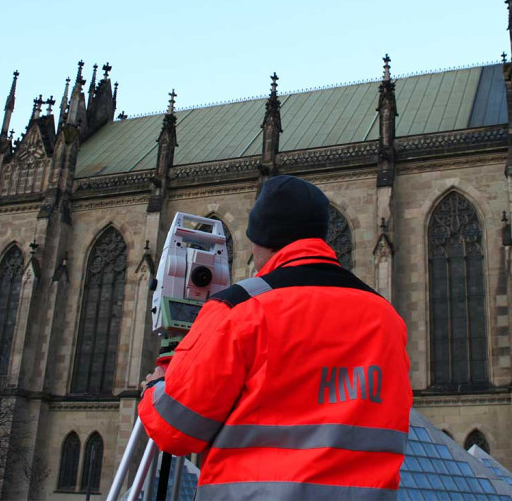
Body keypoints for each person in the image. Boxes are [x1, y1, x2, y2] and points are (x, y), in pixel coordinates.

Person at [138, 175, 412, 499]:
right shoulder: (386, 317)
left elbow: (177, 429)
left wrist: (157, 387)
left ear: (262, 240)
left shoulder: (241, 308)